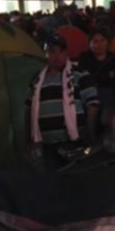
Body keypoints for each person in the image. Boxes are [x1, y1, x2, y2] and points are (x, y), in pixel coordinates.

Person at [28, 35, 100, 171]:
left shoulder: (79, 74)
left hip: (74, 142)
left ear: (66, 53)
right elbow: (30, 108)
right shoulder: (37, 80)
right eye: (52, 51)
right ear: (46, 54)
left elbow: (93, 104)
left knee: (75, 178)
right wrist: (29, 139)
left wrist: (89, 132)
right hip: (47, 143)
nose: (57, 56)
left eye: (61, 51)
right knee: (53, 179)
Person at [77, 28, 115, 126]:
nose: (100, 44)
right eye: (95, 41)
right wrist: (107, 76)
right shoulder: (85, 57)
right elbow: (84, 79)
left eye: (103, 40)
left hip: (110, 94)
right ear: (90, 44)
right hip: (90, 94)